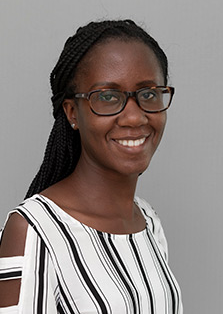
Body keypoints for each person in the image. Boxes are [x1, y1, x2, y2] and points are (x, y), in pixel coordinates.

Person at [0, 20, 183, 313]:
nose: (135, 118)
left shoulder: (148, 222)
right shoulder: (36, 232)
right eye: (108, 97)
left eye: (148, 94)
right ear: (72, 112)